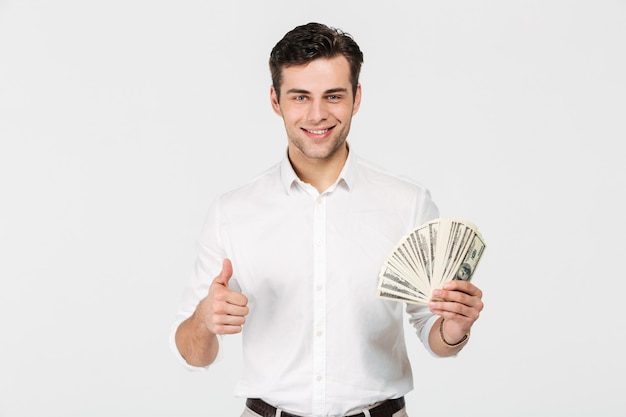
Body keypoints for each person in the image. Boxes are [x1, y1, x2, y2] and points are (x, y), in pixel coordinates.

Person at [170, 22, 484, 417]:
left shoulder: (408, 202)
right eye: (300, 97)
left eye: (333, 95)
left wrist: (454, 329)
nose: (317, 115)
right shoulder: (232, 211)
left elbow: (433, 332)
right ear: (275, 100)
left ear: (356, 98)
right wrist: (203, 319)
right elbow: (191, 354)